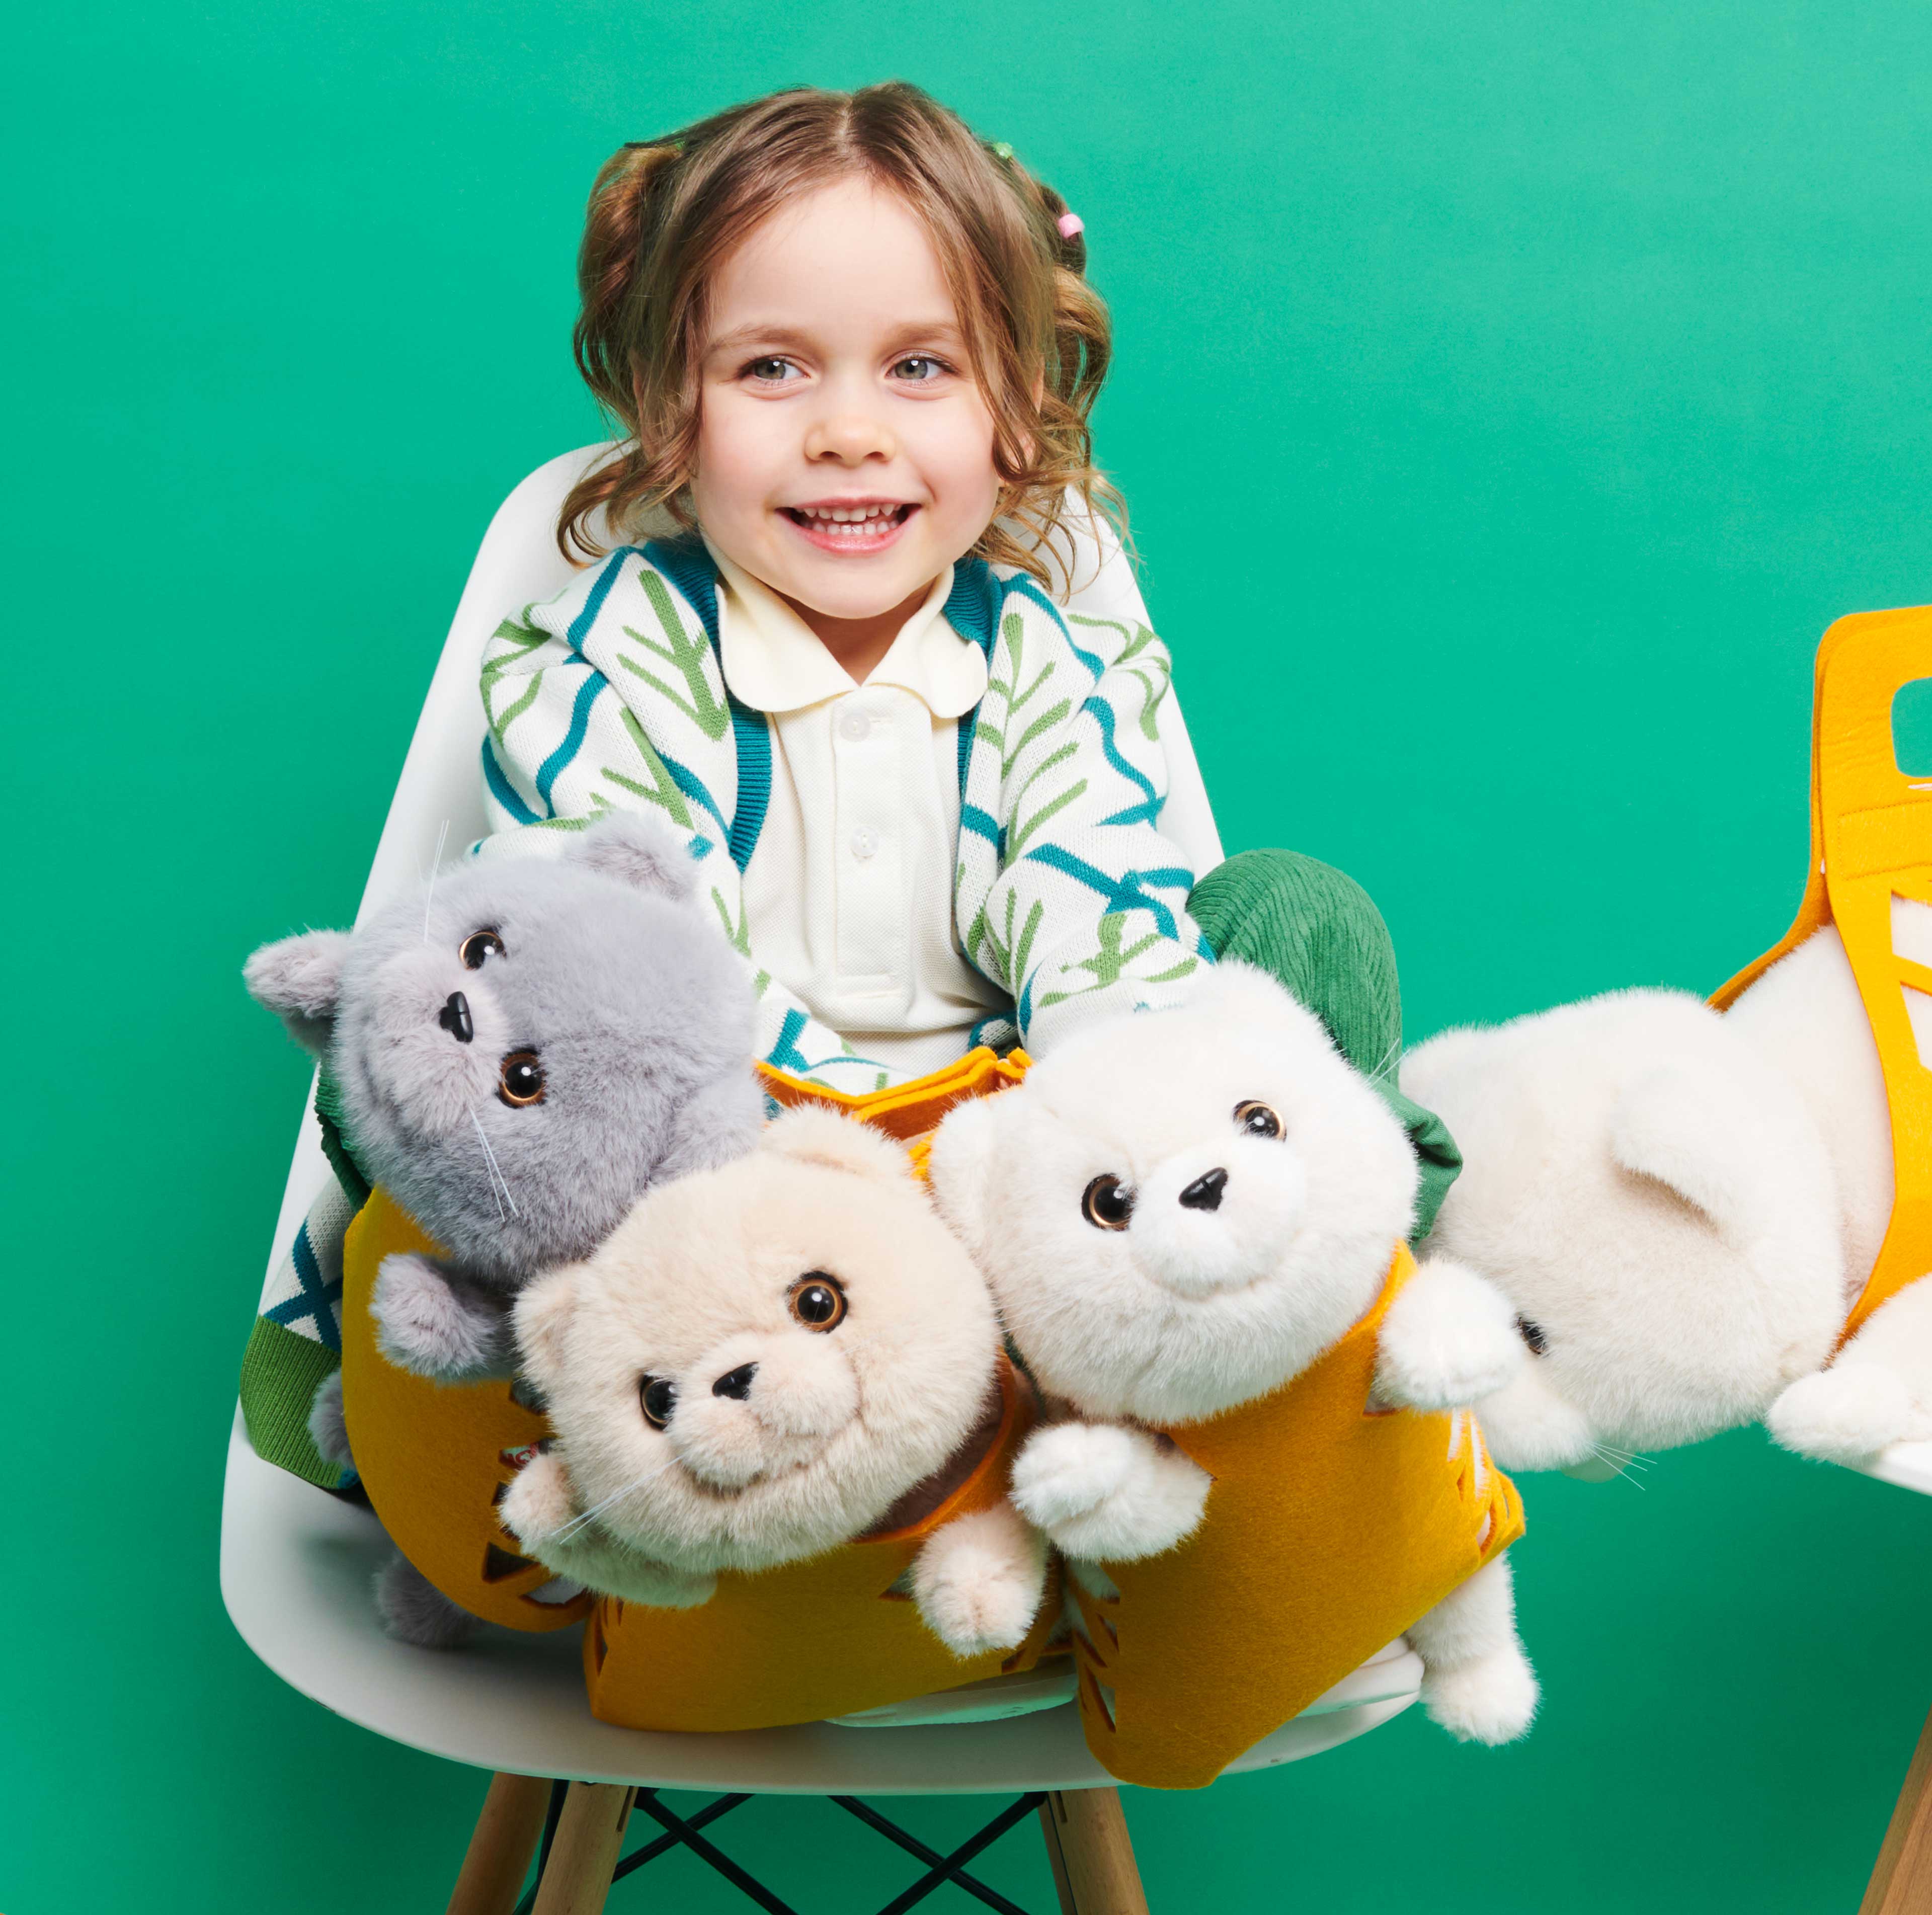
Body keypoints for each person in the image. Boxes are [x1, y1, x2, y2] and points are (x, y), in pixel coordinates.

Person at [242, 81, 1457, 1493]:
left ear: (1014, 406)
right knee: (424, 1032)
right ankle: (499, 1426)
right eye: (773, 369)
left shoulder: (1050, 660)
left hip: (1018, 1177)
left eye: (920, 368)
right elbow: (639, 977)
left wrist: (1078, 1162)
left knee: (1300, 918)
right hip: (714, 1174)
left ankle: (1297, 1369)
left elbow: (1099, 914)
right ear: (673, 405)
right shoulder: (612, 657)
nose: (847, 432)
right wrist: (855, 1181)